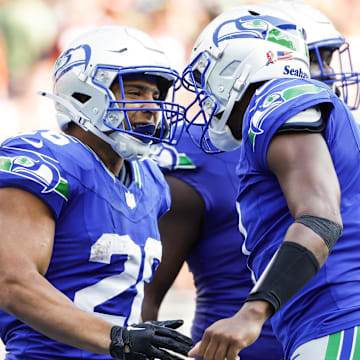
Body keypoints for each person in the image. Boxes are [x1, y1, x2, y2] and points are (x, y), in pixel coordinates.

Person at [0, 25, 193, 360]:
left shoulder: (150, 180)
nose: (151, 107)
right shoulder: (45, 158)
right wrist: (117, 338)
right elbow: (11, 282)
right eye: (134, 92)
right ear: (84, 94)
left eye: (155, 95)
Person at [181, 6, 360, 360]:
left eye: (206, 74)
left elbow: (320, 218)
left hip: (338, 317)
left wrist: (251, 313)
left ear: (234, 66)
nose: (204, 92)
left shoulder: (276, 99)